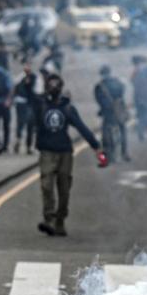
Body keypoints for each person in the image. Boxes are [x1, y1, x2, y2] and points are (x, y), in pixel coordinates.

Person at [33, 74, 104, 236]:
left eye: (56, 85)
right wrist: (29, 78)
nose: (53, 88)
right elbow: (29, 95)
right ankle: (49, 218)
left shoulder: (67, 109)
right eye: (50, 85)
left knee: (64, 188)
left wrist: (96, 147)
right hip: (47, 152)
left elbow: (82, 128)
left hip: (64, 152)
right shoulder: (41, 106)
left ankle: (60, 220)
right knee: (46, 185)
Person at [94, 65, 130, 163]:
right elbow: (122, 94)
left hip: (108, 113)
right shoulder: (118, 82)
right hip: (119, 110)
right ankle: (124, 153)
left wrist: (104, 108)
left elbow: (99, 100)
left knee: (106, 133)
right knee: (123, 131)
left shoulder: (100, 86)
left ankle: (109, 155)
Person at [13, 62, 38, 155]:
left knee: (24, 124)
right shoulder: (27, 78)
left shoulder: (23, 78)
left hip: (22, 103)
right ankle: (24, 144)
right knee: (28, 125)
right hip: (26, 104)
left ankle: (22, 143)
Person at [131, 56, 147, 142]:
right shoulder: (142, 72)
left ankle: (145, 134)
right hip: (145, 98)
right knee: (146, 116)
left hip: (142, 98)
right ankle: (146, 134)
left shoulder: (138, 72)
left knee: (144, 116)